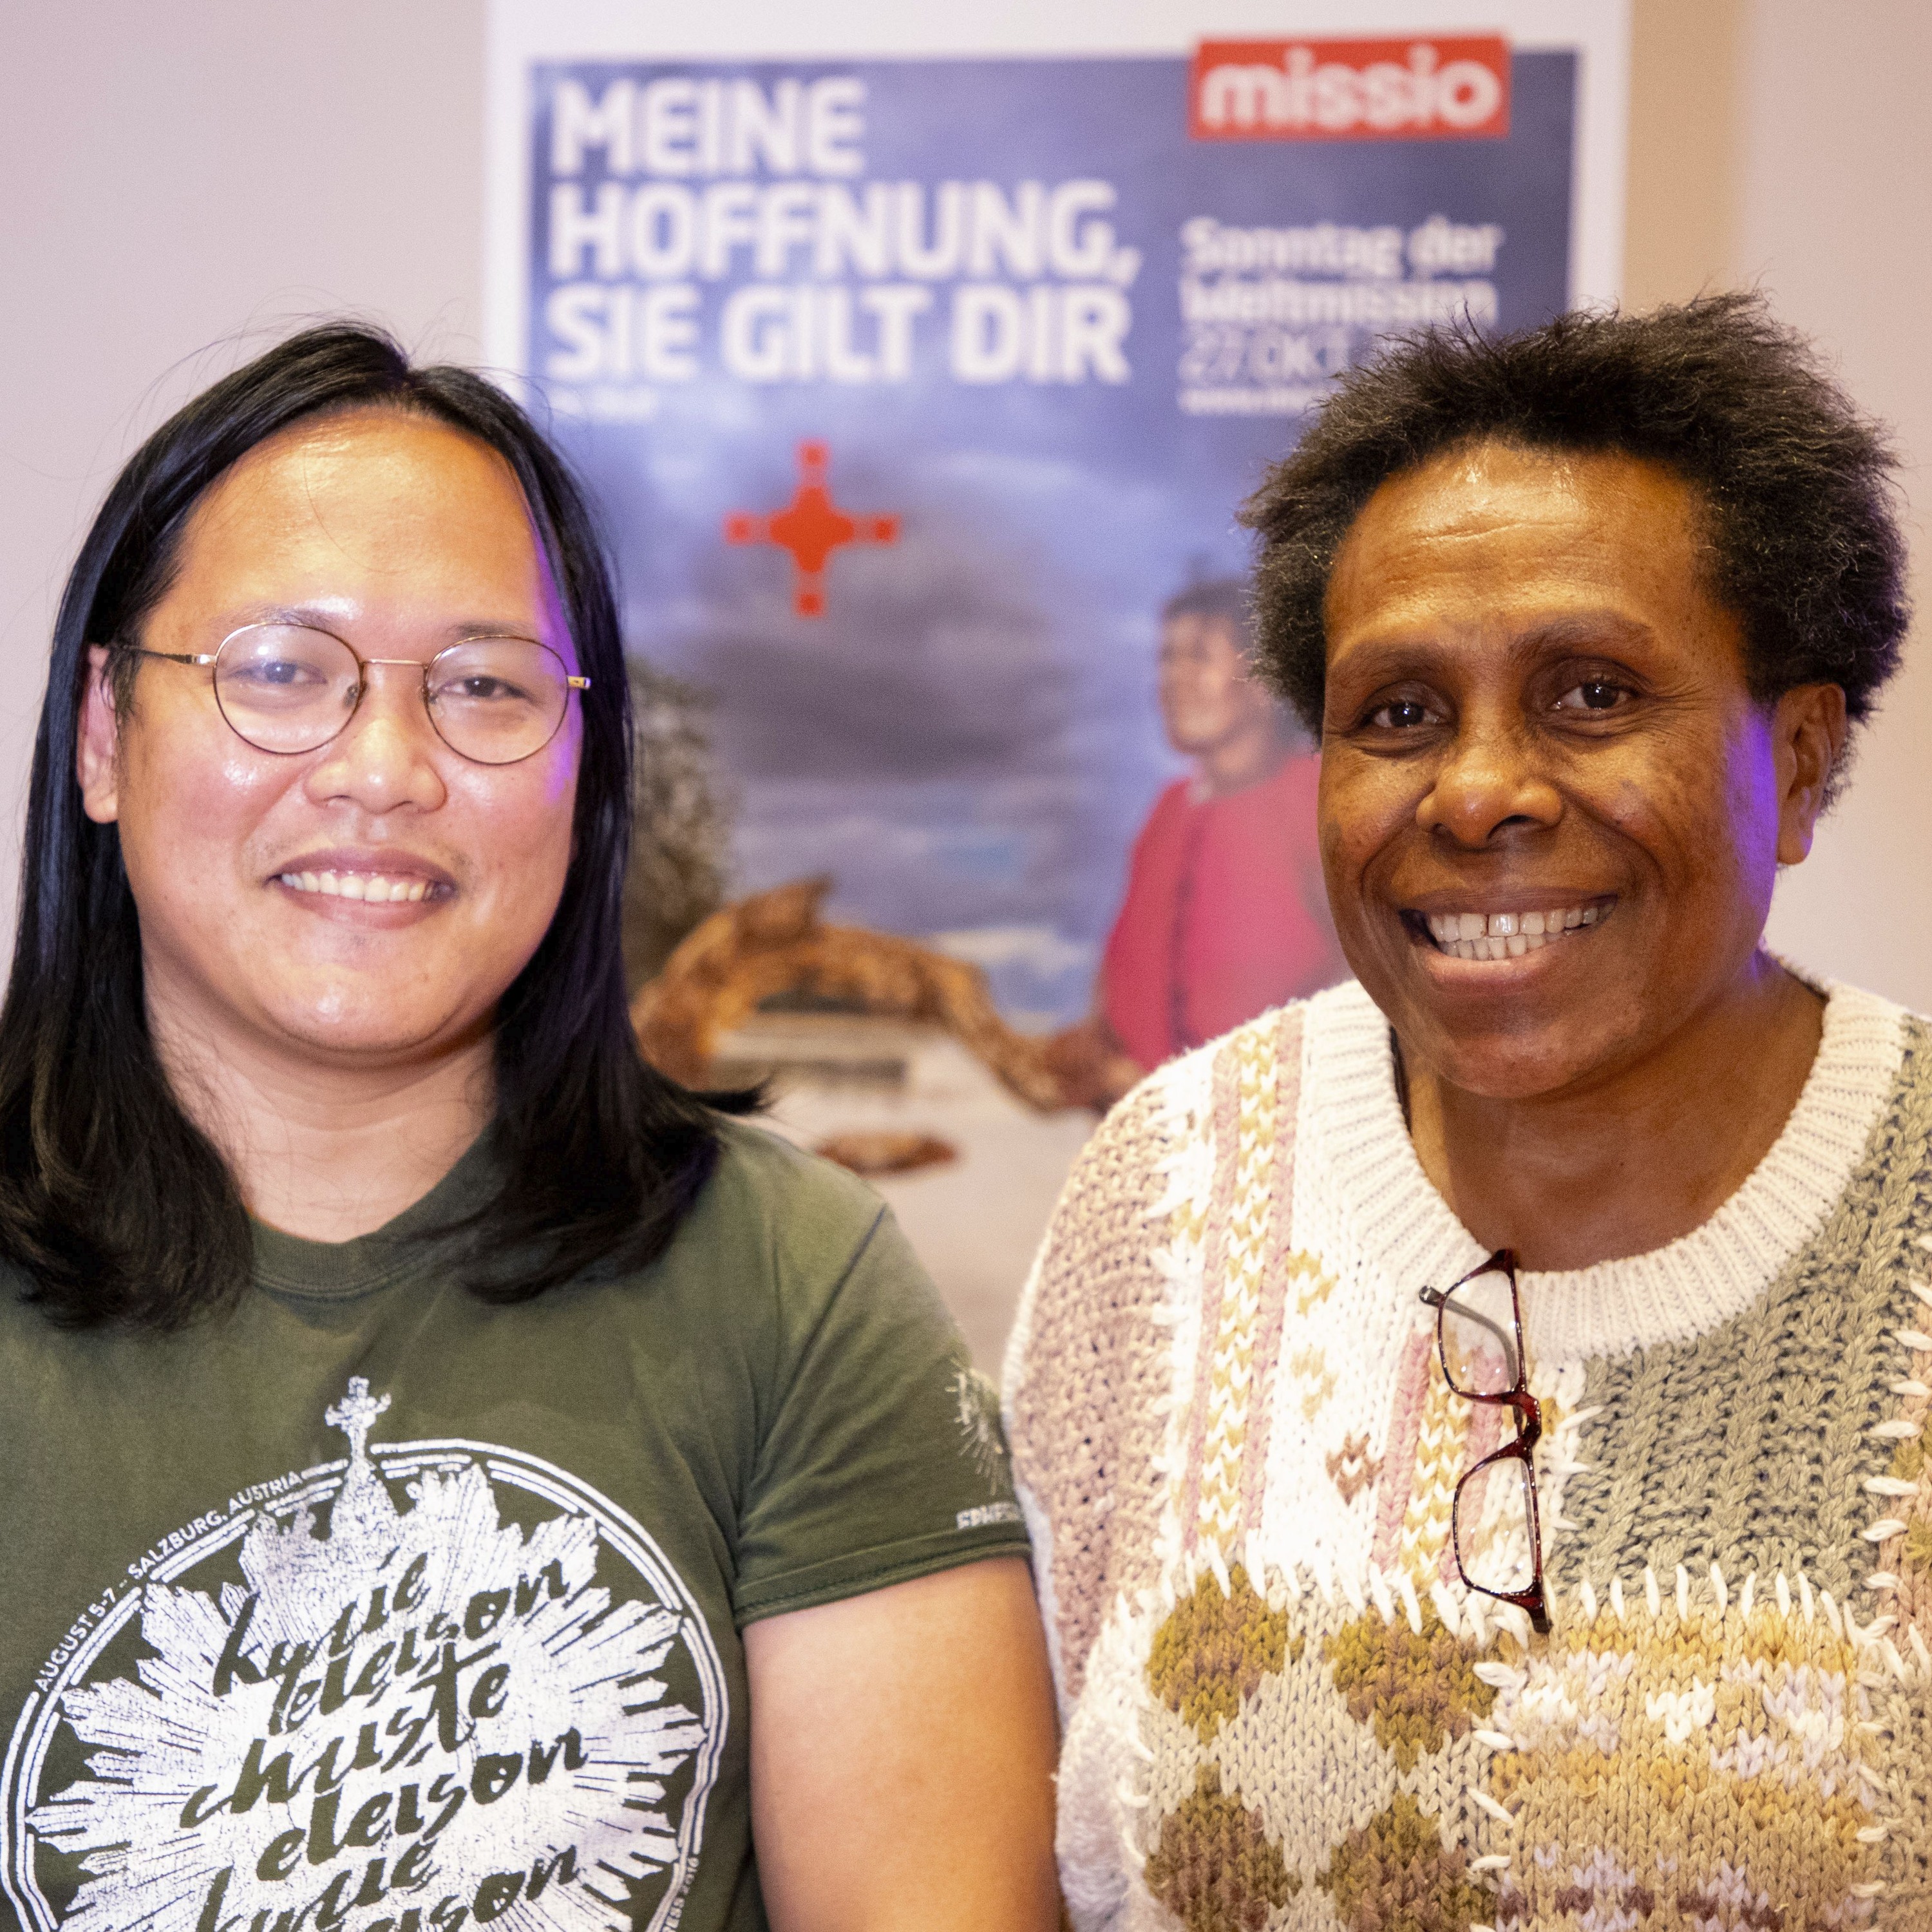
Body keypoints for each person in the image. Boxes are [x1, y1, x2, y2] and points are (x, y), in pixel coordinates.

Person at [0, 325, 1059, 1932]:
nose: (382, 769)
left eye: (484, 685)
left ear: (583, 767)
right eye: (281, 669)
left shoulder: (788, 1277)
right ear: (102, 733)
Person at [1005, 294, 1931, 1924]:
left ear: (1794, 759)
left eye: (1591, 693)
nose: (1478, 788)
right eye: (1398, 713)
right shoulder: (1170, 1189)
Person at [1049, 580, 1346, 1111]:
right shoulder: (1169, 810)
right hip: (1156, 1130)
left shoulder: (1317, 798)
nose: (1174, 678)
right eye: (1167, 658)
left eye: (1199, 655)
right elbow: (1126, 967)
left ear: (1266, 679)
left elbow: (1374, 978)